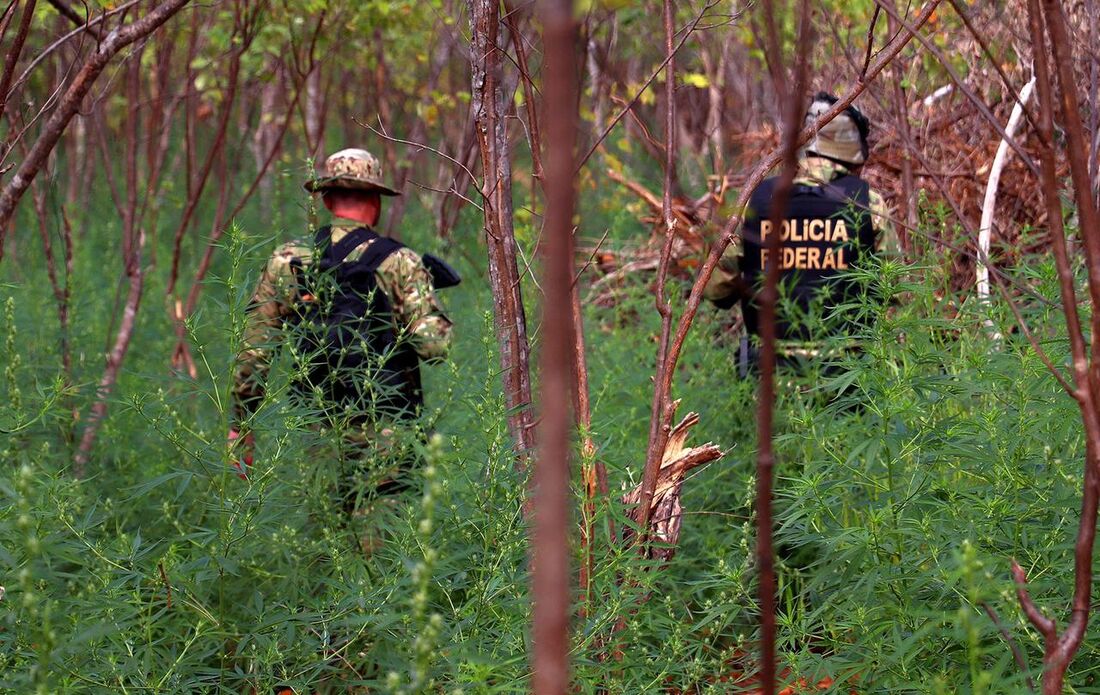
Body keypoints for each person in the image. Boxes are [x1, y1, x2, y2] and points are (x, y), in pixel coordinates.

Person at [229, 147, 454, 513]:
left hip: (317, 432)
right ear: (376, 202)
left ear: (328, 199)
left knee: (322, 551)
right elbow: (435, 348)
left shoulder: (288, 260)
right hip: (389, 431)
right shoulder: (401, 262)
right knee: (384, 553)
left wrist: (241, 425)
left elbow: (255, 352)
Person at [704, 93, 898, 377]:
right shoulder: (869, 204)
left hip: (768, 377)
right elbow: (892, 291)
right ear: (851, 149)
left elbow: (715, 290)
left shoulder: (755, 201)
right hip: (846, 379)